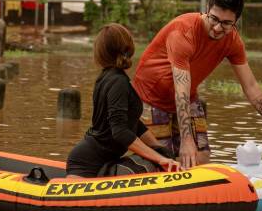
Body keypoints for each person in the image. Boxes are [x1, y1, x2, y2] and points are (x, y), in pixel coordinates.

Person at [133, 0, 262, 169]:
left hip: (187, 97)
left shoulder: (233, 41)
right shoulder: (183, 32)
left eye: (226, 23)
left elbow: (251, 87)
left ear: (236, 21)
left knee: (201, 157)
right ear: (207, 10)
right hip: (150, 98)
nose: (217, 28)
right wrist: (186, 140)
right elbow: (181, 90)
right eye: (214, 19)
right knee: (161, 160)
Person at [66, 23, 182, 178]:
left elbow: (133, 124)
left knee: (158, 155)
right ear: (129, 48)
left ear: (100, 53)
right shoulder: (117, 82)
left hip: (101, 159)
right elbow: (120, 131)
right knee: (153, 161)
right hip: (88, 163)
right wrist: (159, 159)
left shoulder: (109, 78)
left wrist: (159, 149)